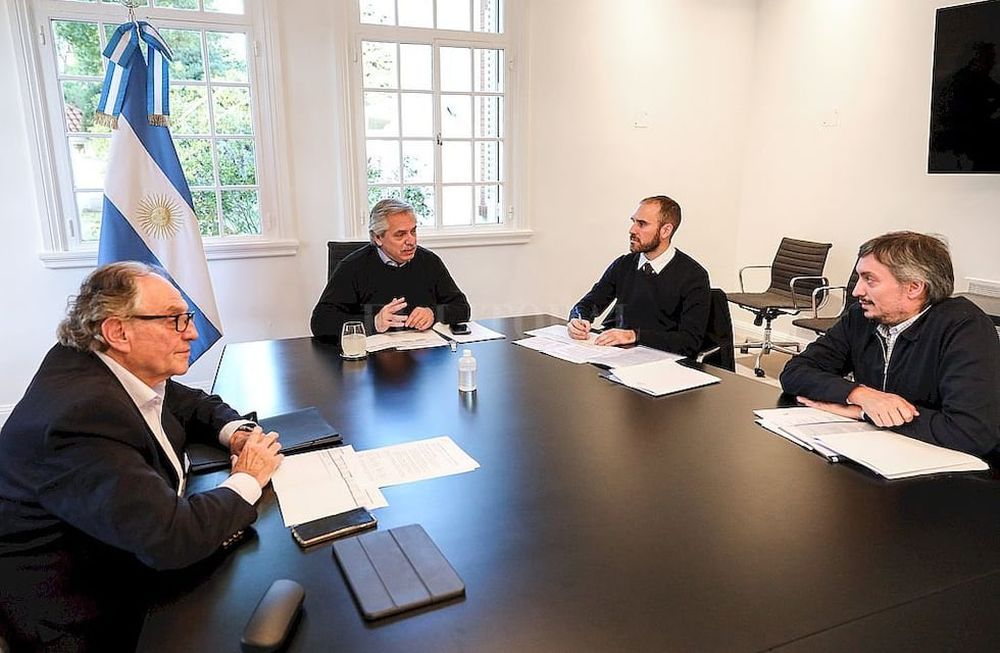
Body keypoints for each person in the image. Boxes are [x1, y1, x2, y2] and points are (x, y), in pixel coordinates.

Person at [0, 262, 284, 651]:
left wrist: (236, 432)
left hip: (126, 560)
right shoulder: (80, 416)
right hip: (84, 618)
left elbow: (188, 401)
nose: (194, 333)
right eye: (175, 321)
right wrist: (248, 477)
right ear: (118, 332)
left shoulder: (100, 363)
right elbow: (170, 538)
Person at [780, 231, 1000, 457]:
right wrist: (859, 395)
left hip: (955, 470)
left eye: (870, 279)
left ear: (914, 287)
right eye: (859, 278)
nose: (857, 291)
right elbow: (795, 372)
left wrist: (863, 413)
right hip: (883, 452)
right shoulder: (860, 318)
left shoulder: (965, 328)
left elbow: (971, 433)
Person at [567, 195, 710, 356]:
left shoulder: (694, 276)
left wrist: (634, 335)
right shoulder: (624, 264)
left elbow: (689, 342)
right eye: (633, 221)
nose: (632, 230)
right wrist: (578, 318)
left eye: (642, 224)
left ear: (665, 230)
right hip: (616, 356)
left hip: (661, 363)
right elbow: (590, 303)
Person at [311, 198, 471, 338]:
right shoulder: (352, 267)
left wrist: (433, 313)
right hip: (373, 363)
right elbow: (321, 322)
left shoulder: (429, 262)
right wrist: (373, 322)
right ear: (377, 237)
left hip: (422, 358)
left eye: (413, 231)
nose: (411, 241)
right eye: (400, 235)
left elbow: (462, 308)